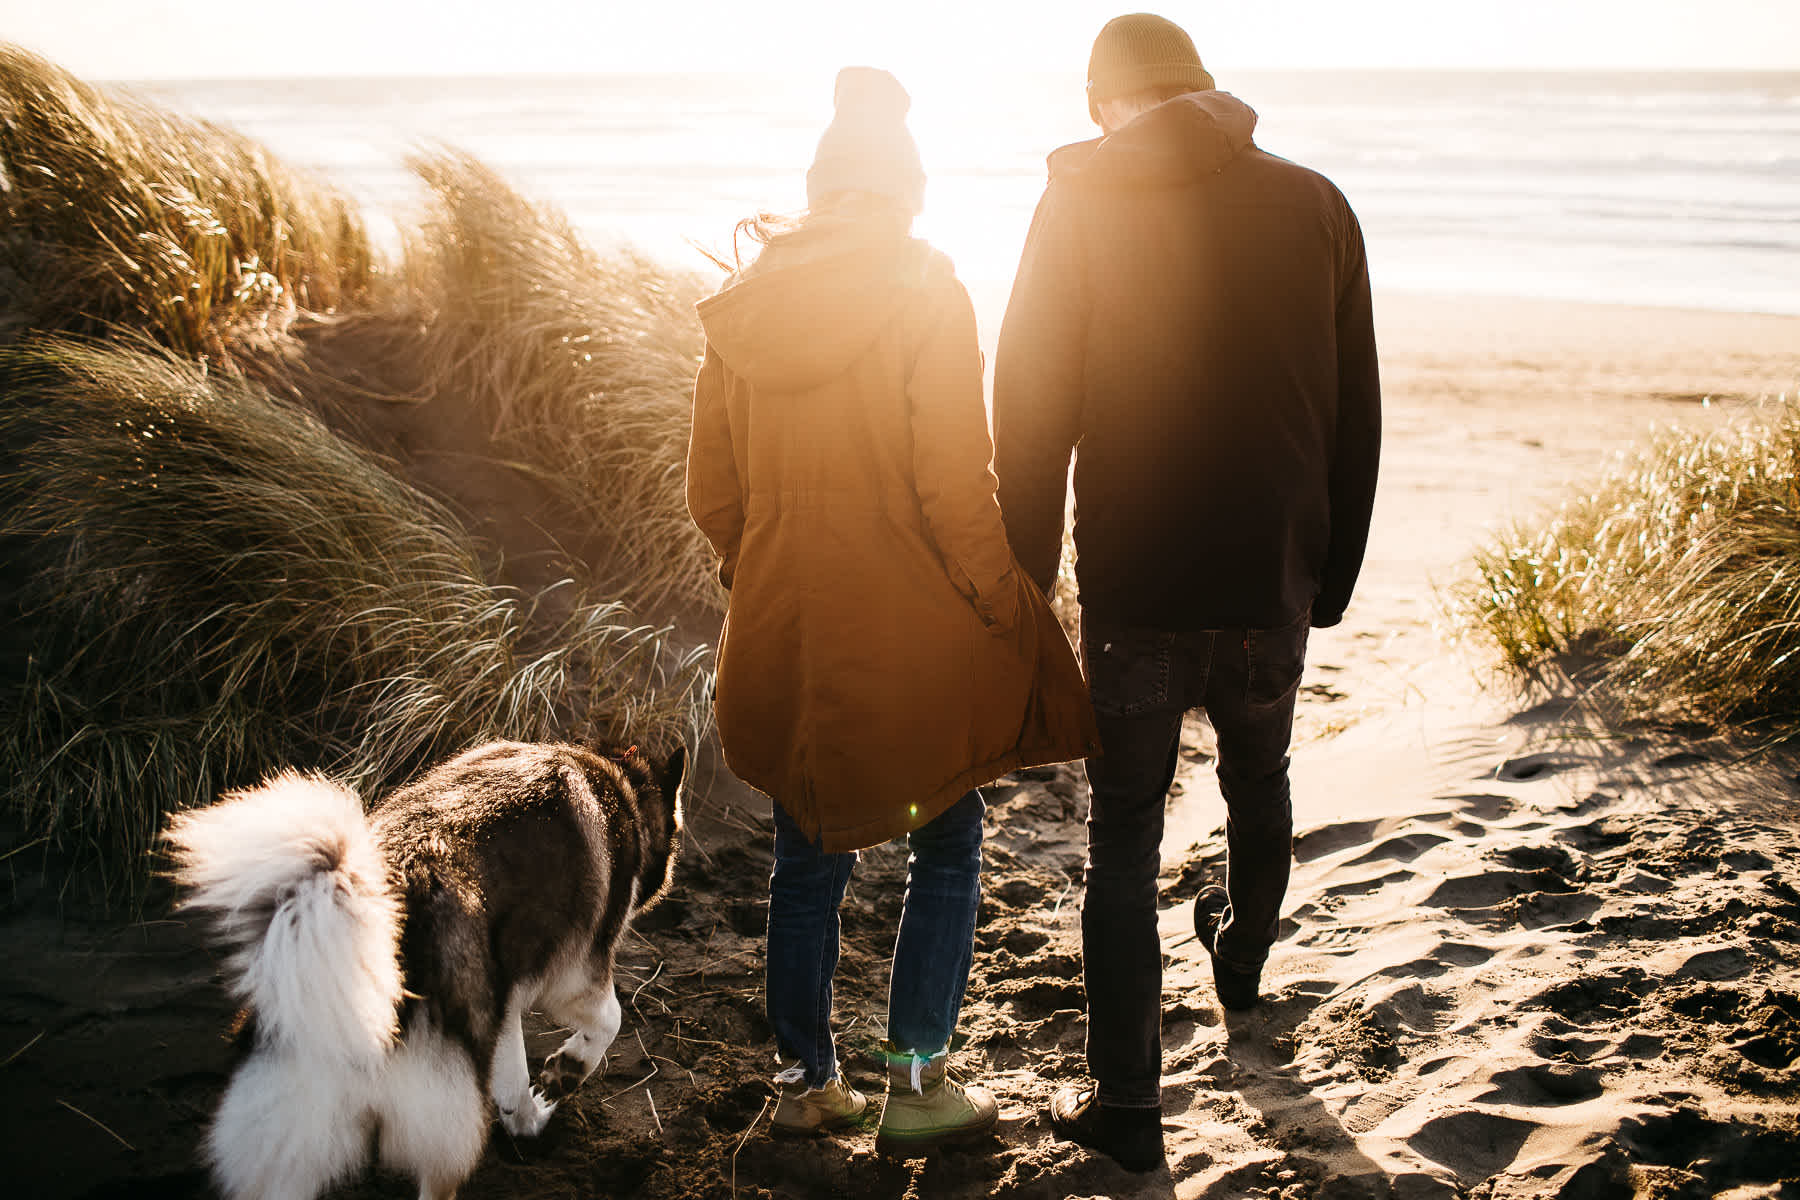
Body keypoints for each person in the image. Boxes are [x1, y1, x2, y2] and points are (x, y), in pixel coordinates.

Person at [992, 13, 1382, 1173]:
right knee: (1260, 778)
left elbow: (1028, 406)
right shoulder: (1316, 204)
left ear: (1107, 102)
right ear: (1205, 90)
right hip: (1271, 578)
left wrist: (1027, 578)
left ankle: (1127, 1110)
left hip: (1139, 583)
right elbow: (1356, 412)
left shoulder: (1080, 202)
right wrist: (1332, 575)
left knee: (1122, 838)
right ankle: (1245, 968)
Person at [686, 66, 1098, 1155]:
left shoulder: (743, 305)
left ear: (821, 188)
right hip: (907, 631)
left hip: (786, 631)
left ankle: (804, 1083)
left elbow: (709, 494)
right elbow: (954, 482)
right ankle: (916, 1080)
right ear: (907, 189)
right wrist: (998, 601)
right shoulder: (926, 287)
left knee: (803, 853)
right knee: (950, 837)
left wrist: (766, 572)